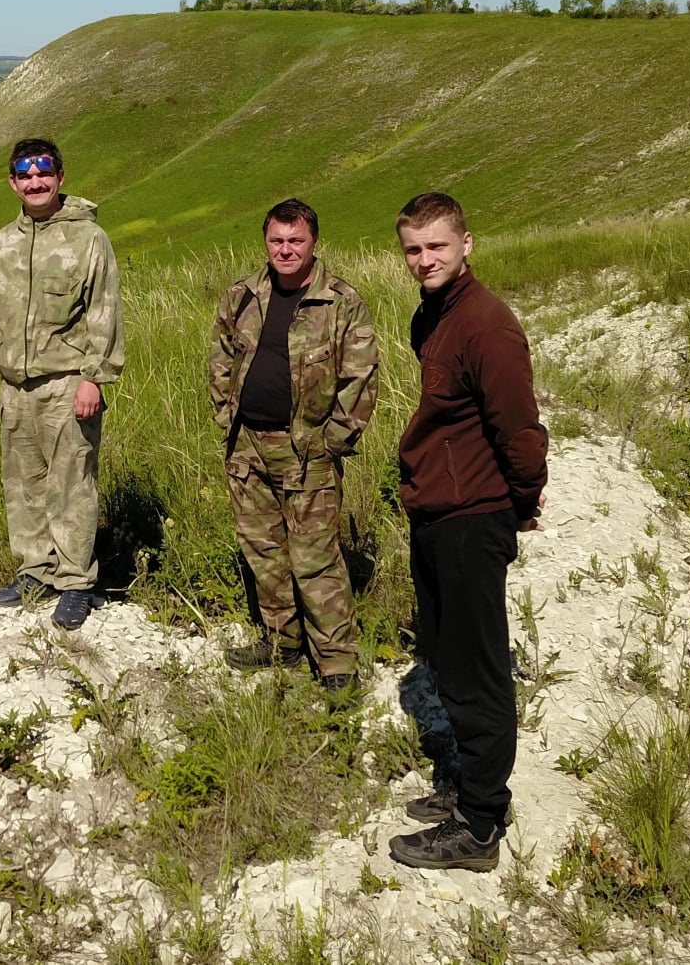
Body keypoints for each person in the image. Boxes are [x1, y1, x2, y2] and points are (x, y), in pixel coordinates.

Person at [388, 191, 547, 873]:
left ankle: (481, 825)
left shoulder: (487, 324)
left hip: (471, 516)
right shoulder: (436, 314)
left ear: (466, 244)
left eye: (437, 247)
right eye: (414, 250)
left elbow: (521, 431)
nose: (425, 260)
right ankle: (468, 786)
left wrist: (519, 501)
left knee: (480, 671)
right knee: (448, 658)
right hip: (438, 511)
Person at [208, 198, 378, 693]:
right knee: (263, 550)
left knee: (314, 558)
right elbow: (221, 356)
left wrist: (334, 440)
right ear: (266, 242)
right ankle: (282, 642)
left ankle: (336, 664)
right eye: (277, 240)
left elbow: (360, 375)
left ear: (314, 243)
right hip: (247, 446)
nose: (286, 250)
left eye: (296, 240)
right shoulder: (243, 296)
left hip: (308, 449)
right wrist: (226, 415)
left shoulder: (341, 301)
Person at [0, 137, 124, 631]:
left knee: (71, 484)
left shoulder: (88, 240)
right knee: (24, 484)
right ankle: (35, 572)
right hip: (15, 385)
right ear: (13, 182)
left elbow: (104, 312)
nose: (35, 183)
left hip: (67, 382)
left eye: (44, 173)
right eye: (25, 175)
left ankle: (76, 582)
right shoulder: (3, 242)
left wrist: (94, 378)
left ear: (60, 177)